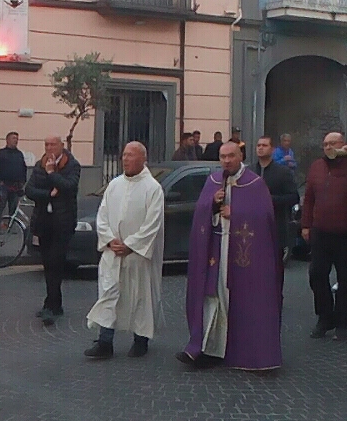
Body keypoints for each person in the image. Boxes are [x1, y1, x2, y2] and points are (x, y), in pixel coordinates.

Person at [178, 142, 282, 371]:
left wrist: (236, 213)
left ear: (240, 156)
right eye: (223, 157)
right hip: (215, 248)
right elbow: (201, 212)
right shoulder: (213, 181)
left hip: (241, 252)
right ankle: (208, 349)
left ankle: (244, 351)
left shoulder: (255, 183)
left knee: (239, 300)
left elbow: (264, 217)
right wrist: (212, 206)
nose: (226, 161)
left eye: (231, 156)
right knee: (212, 297)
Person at [85, 142, 164, 360]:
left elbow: (152, 224)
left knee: (139, 297)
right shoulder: (114, 185)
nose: (125, 159)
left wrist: (130, 245)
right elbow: (102, 216)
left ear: (142, 159)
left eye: (130, 155)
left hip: (137, 256)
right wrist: (110, 241)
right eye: (124, 155)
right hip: (113, 253)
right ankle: (105, 342)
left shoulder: (153, 188)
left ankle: (140, 340)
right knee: (109, 295)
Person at [302, 132, 347, 341]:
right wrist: (306, 225)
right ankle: (325, 317)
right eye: (325, 144)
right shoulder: (317, 166)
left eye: (332, 143)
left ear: (342, 145)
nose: (328, 147)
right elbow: (309, 197)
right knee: (316, 275)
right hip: (321, 232)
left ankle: (342, 323)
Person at [25, 136, 81, 326]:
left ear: (61, 146)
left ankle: (53, 305)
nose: (49, 148)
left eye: (52, 145)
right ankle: (52, 303)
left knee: (56, 263)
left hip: (62, 223)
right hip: (43, 222)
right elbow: (29, 189)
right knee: (47, 264)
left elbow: (69, 187)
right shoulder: (40, 164)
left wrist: (51, 174)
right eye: (46, 145)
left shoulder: (72, 165)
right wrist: (48, 194)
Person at [253, 136, 298, 260]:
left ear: (272, 149)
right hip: (251, 229)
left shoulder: (283, 172)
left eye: (264, 145)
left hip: (275, 227)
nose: (261, 148)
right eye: (258, 145)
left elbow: (294, 197)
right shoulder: (249, 172)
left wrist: (270, 199)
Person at [0, 132, 28, 219]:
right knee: (0, 207)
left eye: (17, 139)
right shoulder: (0, 153)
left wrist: (23, 181)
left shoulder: (19, 154)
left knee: (14, 208)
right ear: (7, 140)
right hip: (3, 185)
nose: (16, 140)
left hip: (16, 186)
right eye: (13, 138)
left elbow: (23, 168)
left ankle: (12, 227)